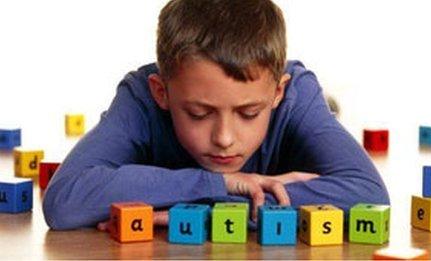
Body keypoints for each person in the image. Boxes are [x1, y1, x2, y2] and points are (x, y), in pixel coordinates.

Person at [42, 0, 389, 230]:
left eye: (249, 113)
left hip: (308, 109)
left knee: (327, 111)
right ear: (162, 92)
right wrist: (219, 183)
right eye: (198, 113)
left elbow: (369, 197)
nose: (224, 138)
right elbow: (65, 202)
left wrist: (208, 209)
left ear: (277, 94)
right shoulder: (140, 98)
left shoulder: (297, 94)